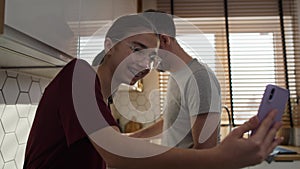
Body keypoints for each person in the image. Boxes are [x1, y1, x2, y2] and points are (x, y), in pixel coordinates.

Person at [24, 13, 283, 169]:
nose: (144, 63)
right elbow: (115, 153)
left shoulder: (103, 99)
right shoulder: (78, 74)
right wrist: (219, 158)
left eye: (151, 58)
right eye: (136, 49)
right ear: (109, 45)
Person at [130, 10, 221, 149]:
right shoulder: (176, 75)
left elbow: (205, 151)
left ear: (165, 40)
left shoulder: (199, 78)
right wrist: (132, 138)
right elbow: (171, 123)